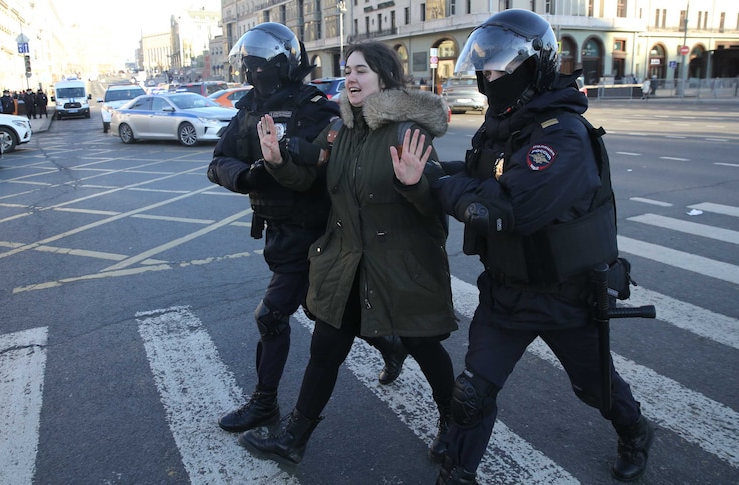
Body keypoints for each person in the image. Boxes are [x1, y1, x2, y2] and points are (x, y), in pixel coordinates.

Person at [392, 10, 654, 484]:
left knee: (596, 388)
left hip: (564, 296)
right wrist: (430, 167)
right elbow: (477, 172)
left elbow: (508, 207)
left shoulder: (562, 136)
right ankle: (458, 470)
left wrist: (434, 185)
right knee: (472, 393)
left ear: (534, 68)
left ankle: (635, 430)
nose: (488, 80)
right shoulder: (505, 126)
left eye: (497, 70)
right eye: (484, 70)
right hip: (507, 292)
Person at [237, 41, 458, 466]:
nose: (351, 79)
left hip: (399, 266)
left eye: (361, 71)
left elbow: (435, 206)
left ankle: (451, 420)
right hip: (349, 262)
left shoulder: (405, 130)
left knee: (423, 345)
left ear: (385, 78)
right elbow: (309, 181)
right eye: (349, 70)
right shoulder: (341, 129)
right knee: (326, 348)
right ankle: (294, 437)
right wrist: (278, 160)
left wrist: (415, 185)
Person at [207, 23, 409, 435]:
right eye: (249, 62)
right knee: (326, 313)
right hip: (278, 231)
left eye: (257, 62)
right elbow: (218, 161)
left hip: (317, 232)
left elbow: (337, 166)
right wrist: (245, 176)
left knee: (272, 315)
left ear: (277, 64)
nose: (251, 69)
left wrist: (289, 162)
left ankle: (265, 404)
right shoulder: (249, 110)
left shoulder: (315, 107)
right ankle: (391, 344)